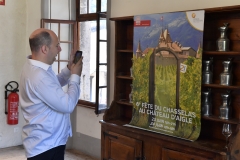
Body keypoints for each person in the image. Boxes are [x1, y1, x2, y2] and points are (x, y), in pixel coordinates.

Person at [19, 28, 83, 160]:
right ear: (44, 49)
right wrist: (75, 76)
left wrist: (69, 69)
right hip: (47, 146)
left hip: (46, 143)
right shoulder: (39, 76)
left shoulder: (34, 68)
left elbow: (52, 87)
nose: (59, 49)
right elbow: (68, 105)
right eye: (57, 45)